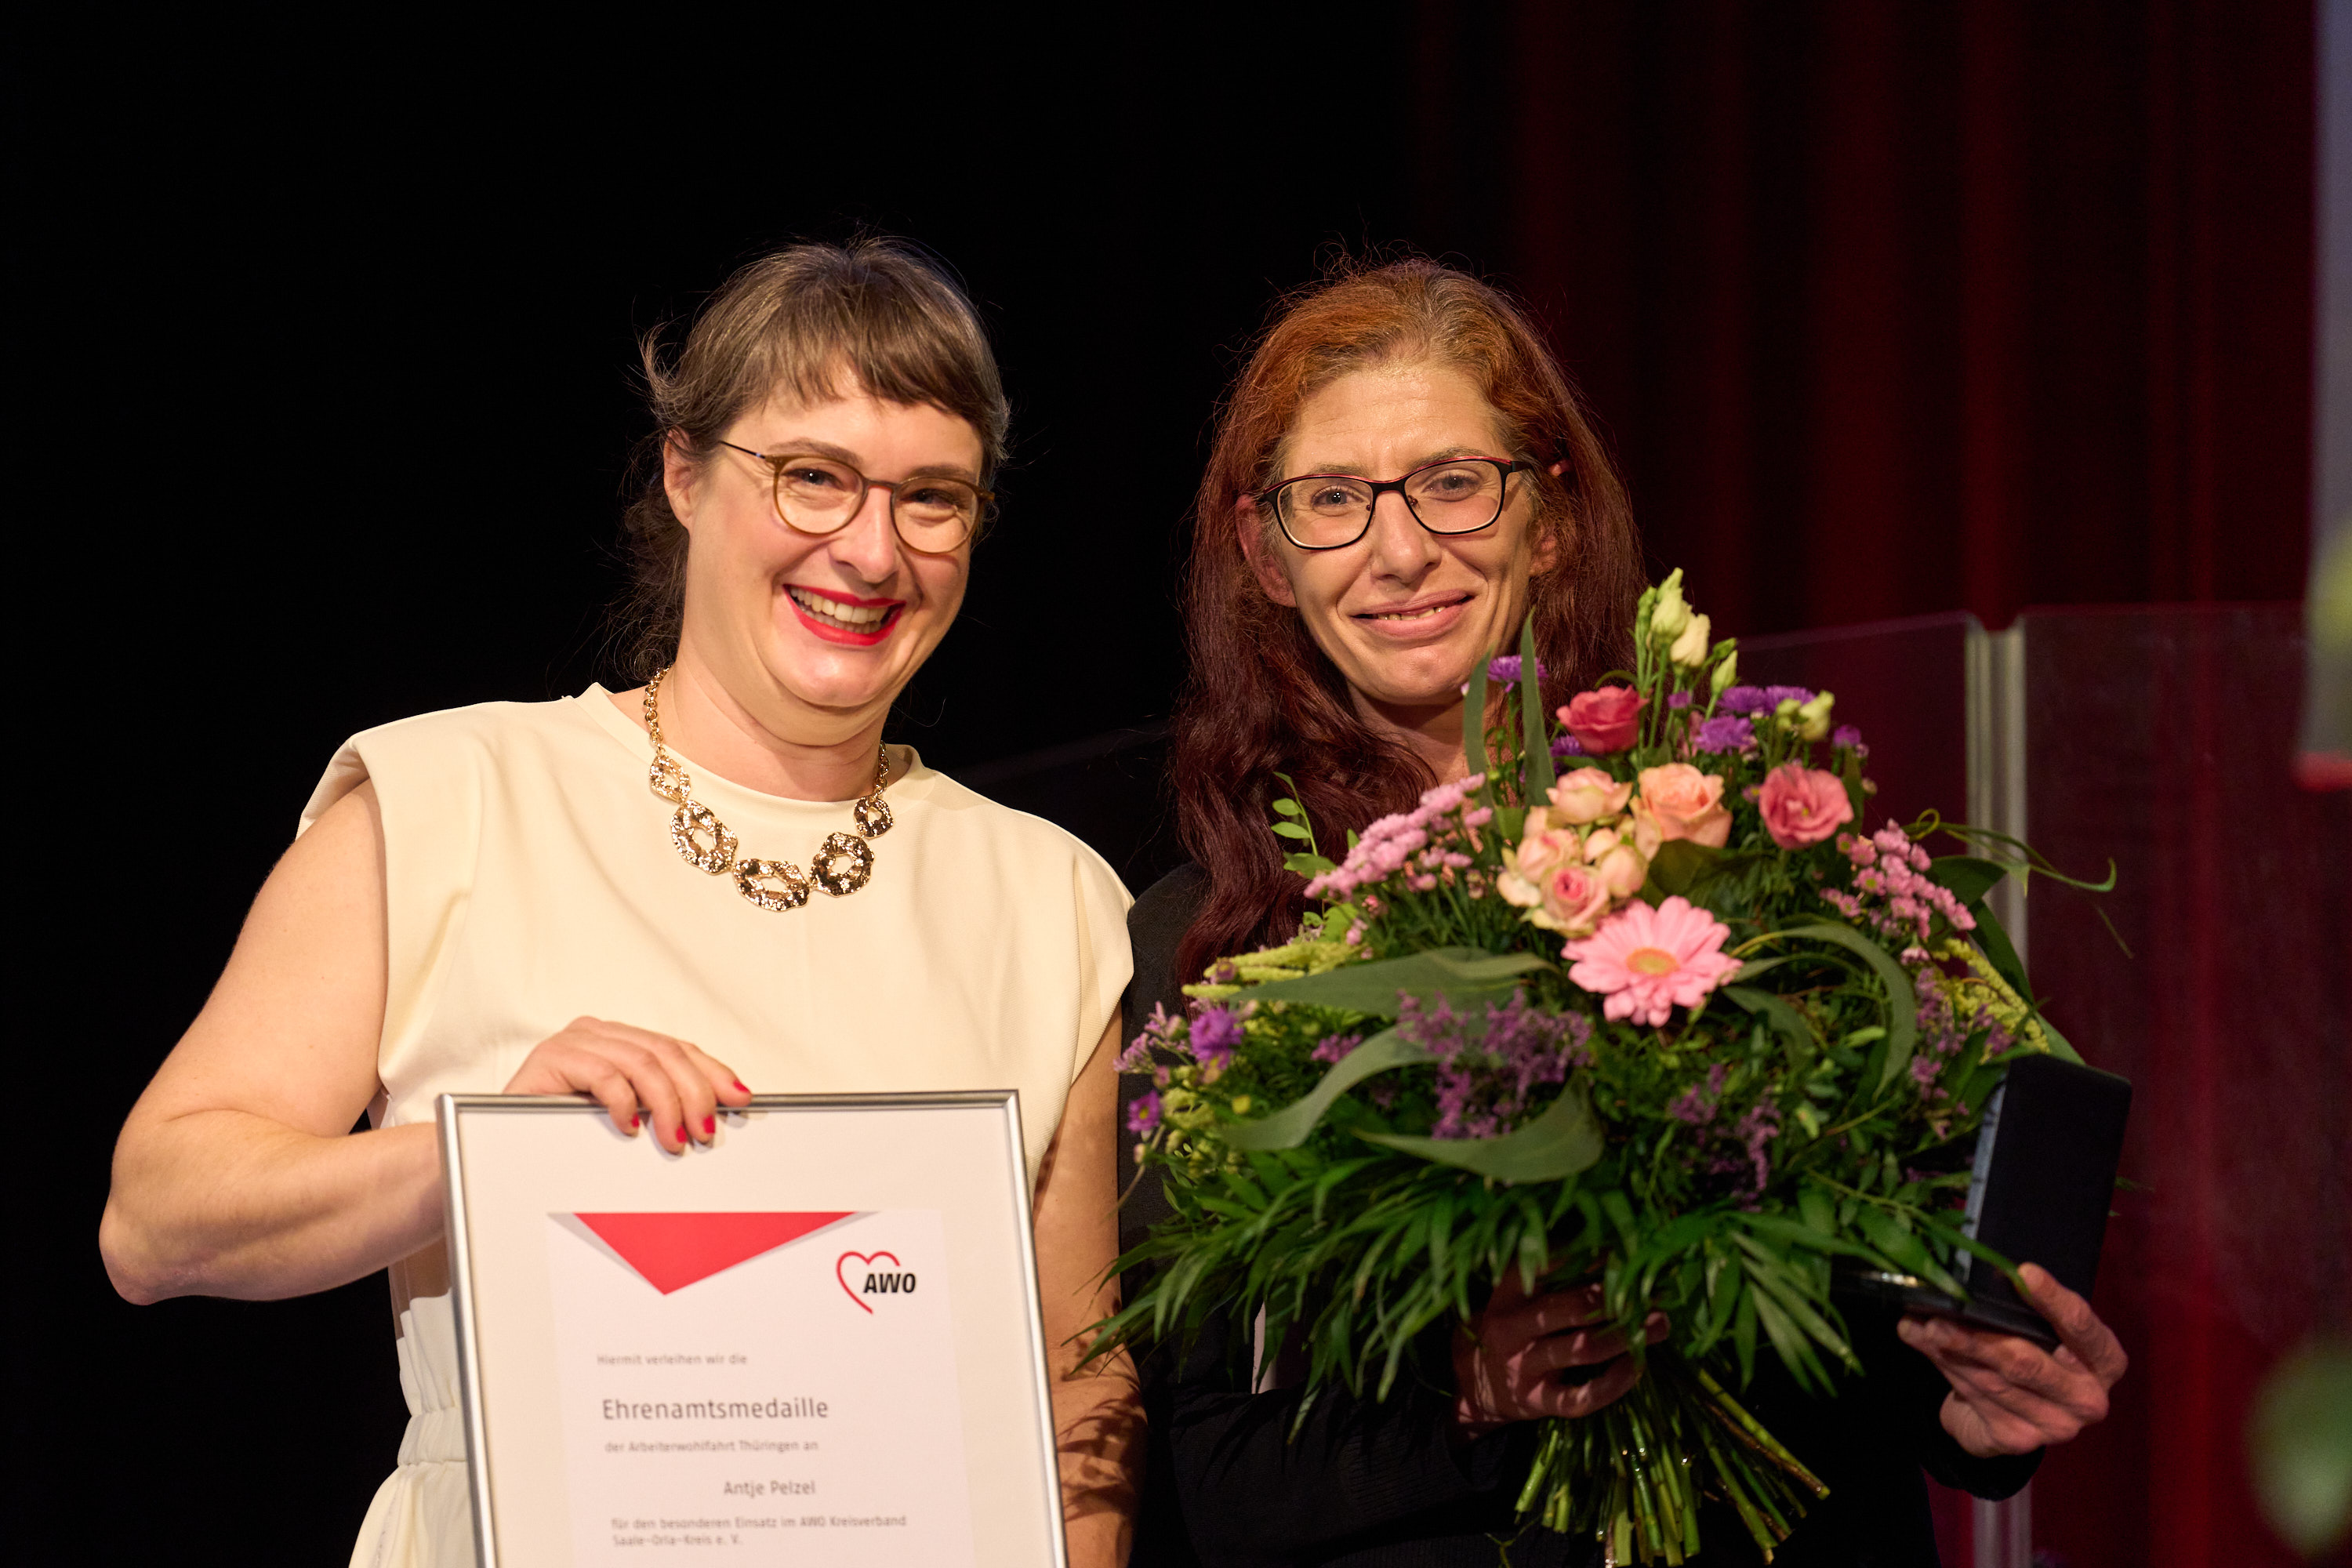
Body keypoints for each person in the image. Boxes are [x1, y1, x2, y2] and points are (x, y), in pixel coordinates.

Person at [100, 240, 1142, 1568]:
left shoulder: (1049, 902)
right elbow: (157, 1219)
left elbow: (1080, 1382)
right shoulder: (450, 798)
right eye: (812, 477)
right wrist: (486, 1151)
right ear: (686, 471)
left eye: (930, 498)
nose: (871, 551)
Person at [1120, 258, 2129, 1566]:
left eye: (1451, 482)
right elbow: (1220, 1480)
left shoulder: (1750, 843)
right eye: (1333, 501)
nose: (1401, 547)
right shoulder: (1211, 947)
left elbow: (1893, 1312)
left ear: (1548, 518)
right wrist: (1469, 1400)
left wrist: (1987, 1396)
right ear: (1266, 553)